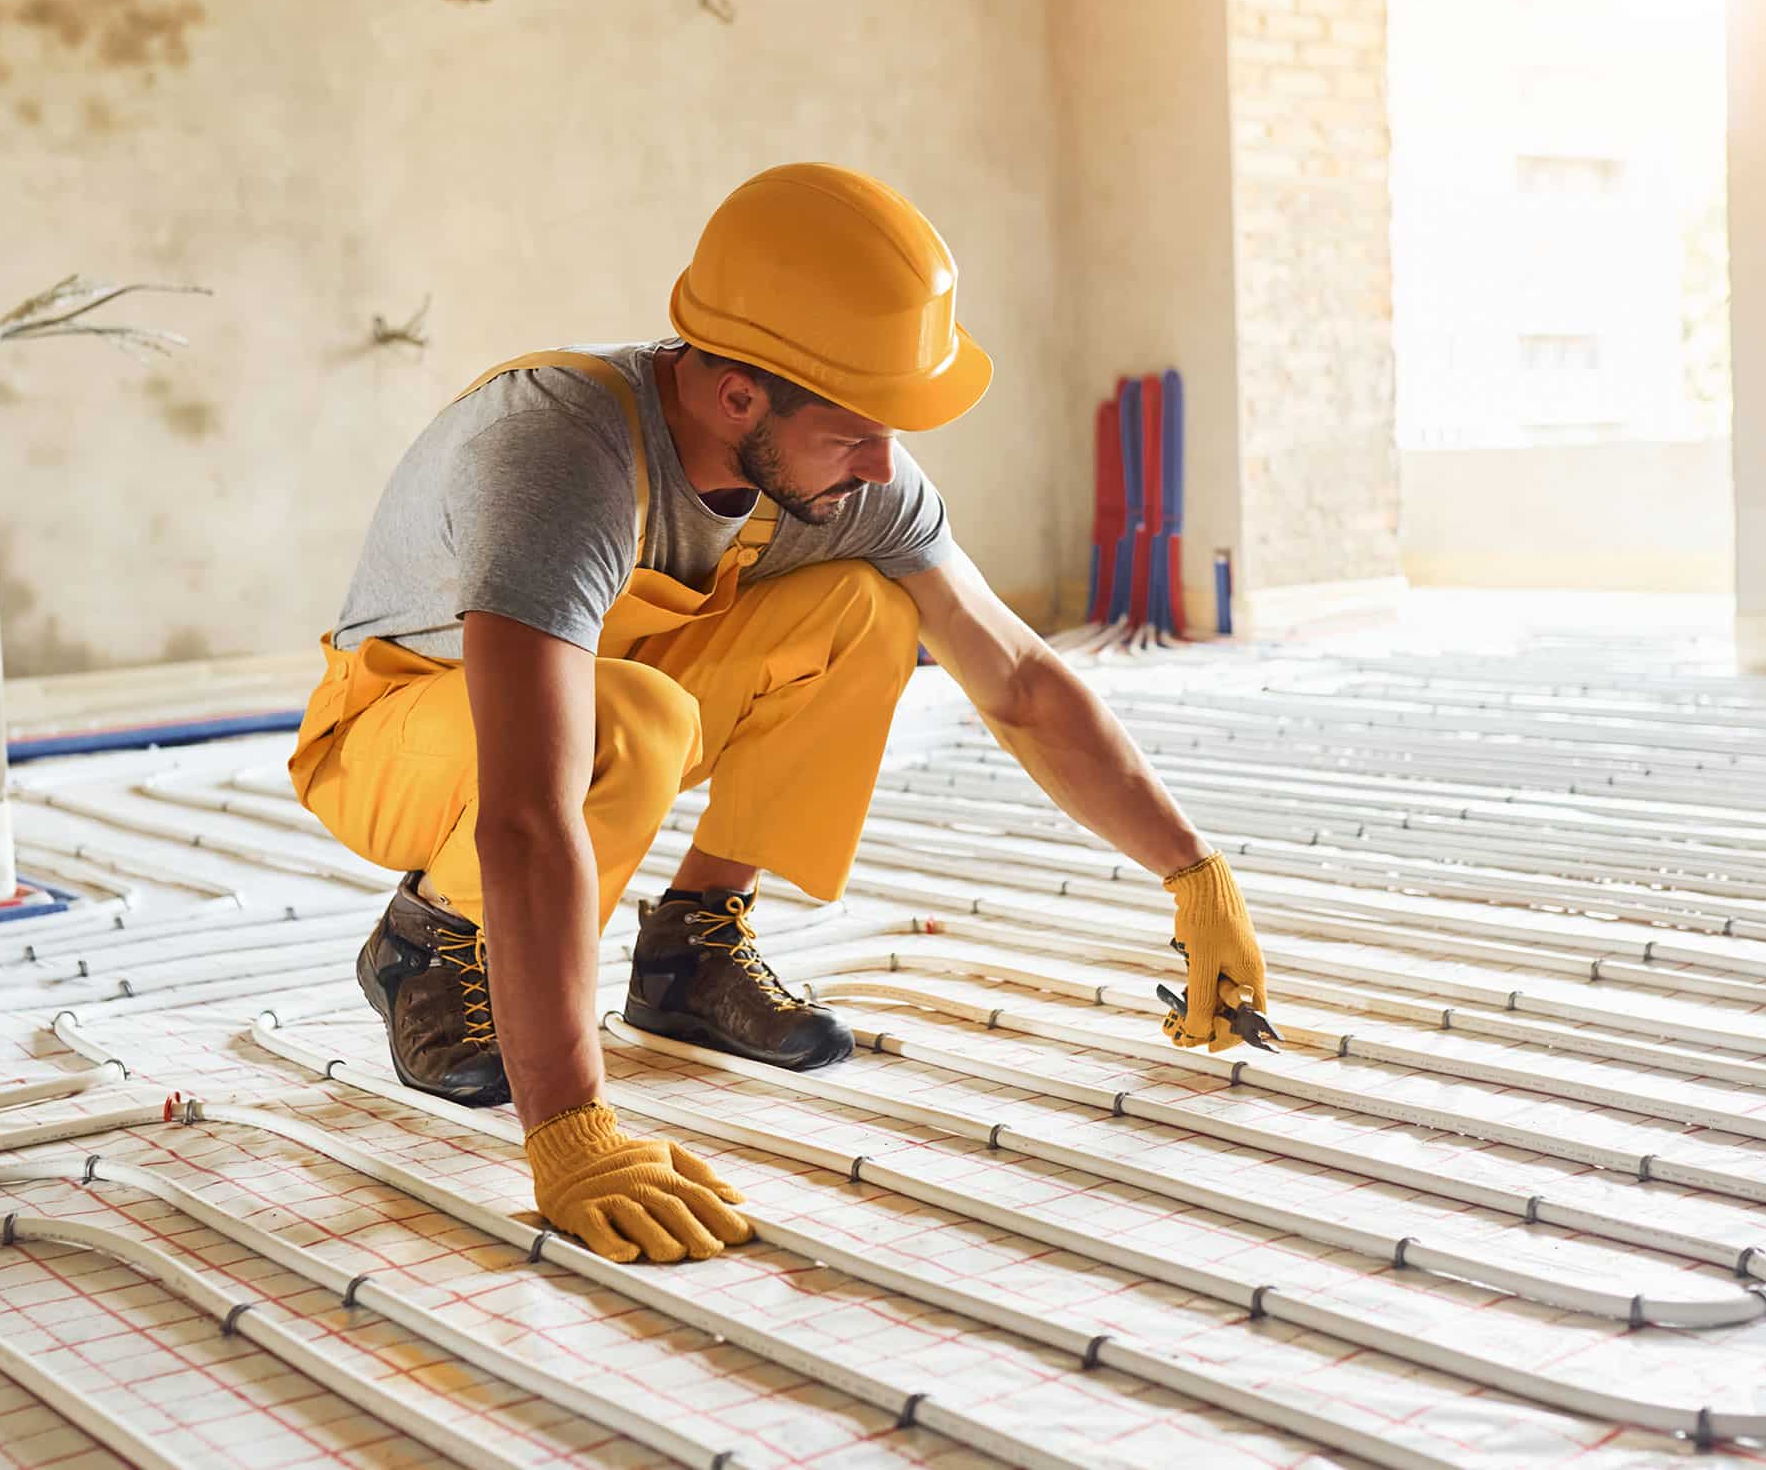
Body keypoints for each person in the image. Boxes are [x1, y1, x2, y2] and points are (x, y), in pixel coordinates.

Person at [290, 162, 1271, 1264]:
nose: (884, 466)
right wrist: (569, 1130)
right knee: (631, 720)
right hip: (397, 738)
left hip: (604, 700)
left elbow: (1020, 679)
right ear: (738, 397)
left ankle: (691, 950)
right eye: (854, 433)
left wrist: (1194, 871)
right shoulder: (561, 457)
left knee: (867, 608)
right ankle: (428, 944)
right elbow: (527, 811)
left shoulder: (845, 471)